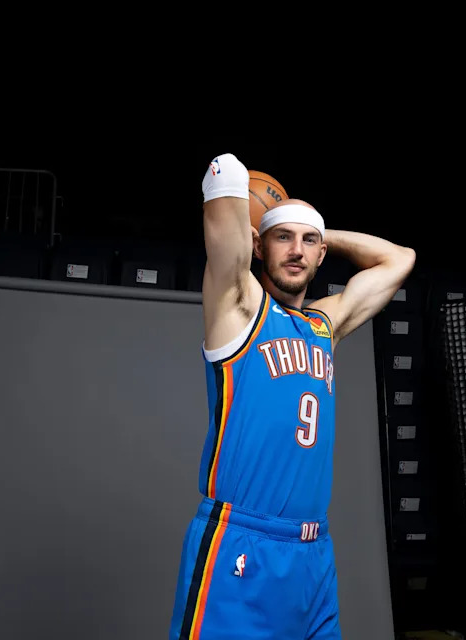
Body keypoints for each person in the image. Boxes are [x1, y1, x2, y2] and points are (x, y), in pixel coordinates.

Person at [169, 153, 415, 639]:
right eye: (284, 238)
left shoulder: (325, 324)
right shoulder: (237, 306)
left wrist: (316, 229)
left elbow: (400, 259)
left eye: (309, 243)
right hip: (242, 542)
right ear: (258, 246)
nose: (297, 250)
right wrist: (265, 220)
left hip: (313, 554)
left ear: (321, 254)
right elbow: (225, 171)